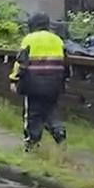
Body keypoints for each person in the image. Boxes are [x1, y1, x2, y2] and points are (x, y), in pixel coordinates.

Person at [9, 12, 68, 151]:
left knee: (33, 113)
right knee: (50, 109)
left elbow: (21, 62)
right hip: (54, 84)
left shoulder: (29, 39)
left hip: (33, 84)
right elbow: (66, 63)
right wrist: (64, 82)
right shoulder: (57, 40)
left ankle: (32, 143)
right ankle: (59, 131)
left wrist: (14, 79)